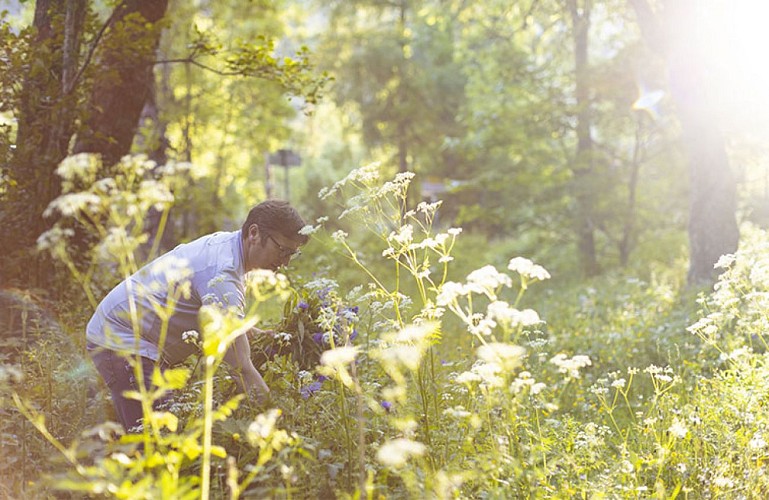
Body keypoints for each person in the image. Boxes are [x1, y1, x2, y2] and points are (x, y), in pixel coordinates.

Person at [86, 200, 307, 432]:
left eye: (293, 253)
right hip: (121, 339)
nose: (286, 262)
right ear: (254, 233)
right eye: (282, 250)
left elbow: (226, 321)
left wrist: (264, 336)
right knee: (156, 438)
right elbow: (240, 368)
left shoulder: (231, 249)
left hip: (139, 336)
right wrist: (279, 425)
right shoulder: (223, 273)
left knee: (162, 429)